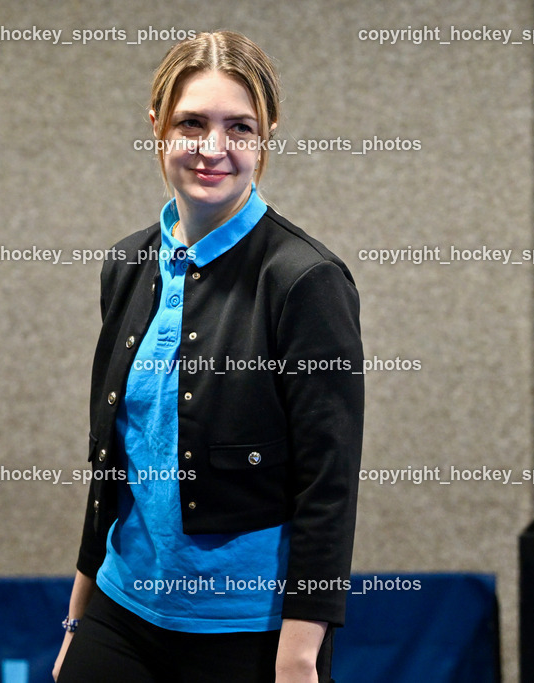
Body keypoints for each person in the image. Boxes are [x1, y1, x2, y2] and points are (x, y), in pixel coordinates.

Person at [54, 30, 364, 683]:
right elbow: (112, 461)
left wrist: (300, 656)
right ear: (157, 127)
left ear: (266, 136)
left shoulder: (304, 281)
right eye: (191, 123)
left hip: (247, 631)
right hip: (121, 612)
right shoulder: (128, 263)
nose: (213, 147)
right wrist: (77, 622)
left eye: (239, 127)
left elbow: (328, 486)